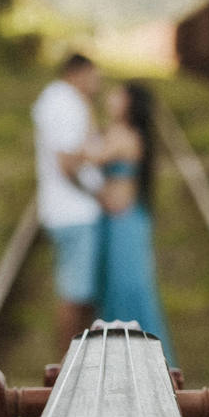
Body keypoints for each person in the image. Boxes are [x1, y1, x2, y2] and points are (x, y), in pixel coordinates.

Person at [83, 80, 176, 363]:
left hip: (125, 223)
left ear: (129, 104)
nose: (110, 99)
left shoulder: (126, 136)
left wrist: (84, 112)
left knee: (128, 285)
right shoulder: (118, 132)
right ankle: (118, 355)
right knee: (114, 285)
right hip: (117, 221)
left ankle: (144, 358)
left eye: (117, 95)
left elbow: (90, 155)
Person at [32, 52, 103, 351]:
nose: (98, 82)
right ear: (79, 73)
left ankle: (76, 361)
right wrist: (97, 193)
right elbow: (66, 162)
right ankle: (69, 367)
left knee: (81, 292)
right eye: (95, 75)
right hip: (74, 212)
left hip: (69, 211)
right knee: (76, 295)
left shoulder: (59, 100)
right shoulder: (65, 103)